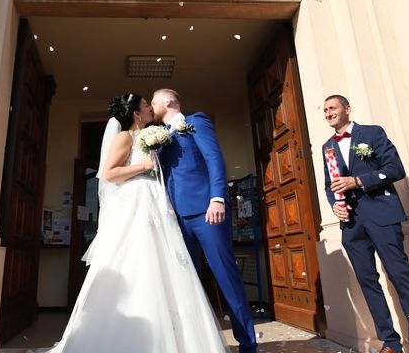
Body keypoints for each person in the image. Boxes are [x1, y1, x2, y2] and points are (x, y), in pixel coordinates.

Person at [44, 93, 229, 353]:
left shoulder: (154, 134)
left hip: (157, 200)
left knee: (168, 261)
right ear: (135, 114)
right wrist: (143, 165)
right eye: (145, 105)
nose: (149, 108)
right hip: (137, 201)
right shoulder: (124, 137)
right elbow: (108, 173)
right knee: (140, 258)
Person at [321, 94, 409, 353]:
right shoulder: (328, 147)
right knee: (367, 281)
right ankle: (390, 342)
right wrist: (335, 204)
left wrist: (358, 181)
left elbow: (396, 168)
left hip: (382, 216)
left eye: (333, 108)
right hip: (351, 224)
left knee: (400, 276)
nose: (328, 113)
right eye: (325, 110)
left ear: (347, 109)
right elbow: (330, 185)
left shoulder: (372, 134)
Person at [151, 89, 257, 353]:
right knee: (187, 282)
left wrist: (217, 198)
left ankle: (247, 346)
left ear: (167, 102)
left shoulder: (195, 121)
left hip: (206, 212)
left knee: (226, 277)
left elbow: (213, 158)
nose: (151, 106)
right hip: (176, 218)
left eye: (153, 101)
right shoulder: (158, 139)